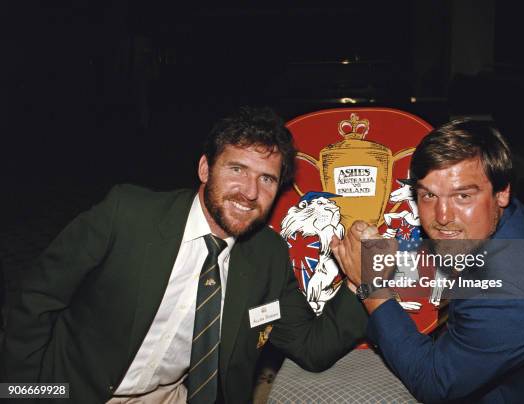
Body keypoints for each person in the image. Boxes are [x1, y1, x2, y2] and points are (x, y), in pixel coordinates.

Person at [1, 107, 368, 403]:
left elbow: (311, 345)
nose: (250, 192)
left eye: (267, 179)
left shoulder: (268, 257)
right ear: (205, 169)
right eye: (237, 169)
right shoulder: (127, 215)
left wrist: (358, 280)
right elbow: (35, 301)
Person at [331, 120, 524, 403]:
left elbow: (433, 383)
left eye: (462, 196)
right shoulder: (511, 221)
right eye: (428, 195)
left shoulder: (509, 291)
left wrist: (371, 285)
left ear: (502, 193)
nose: (441, 217)